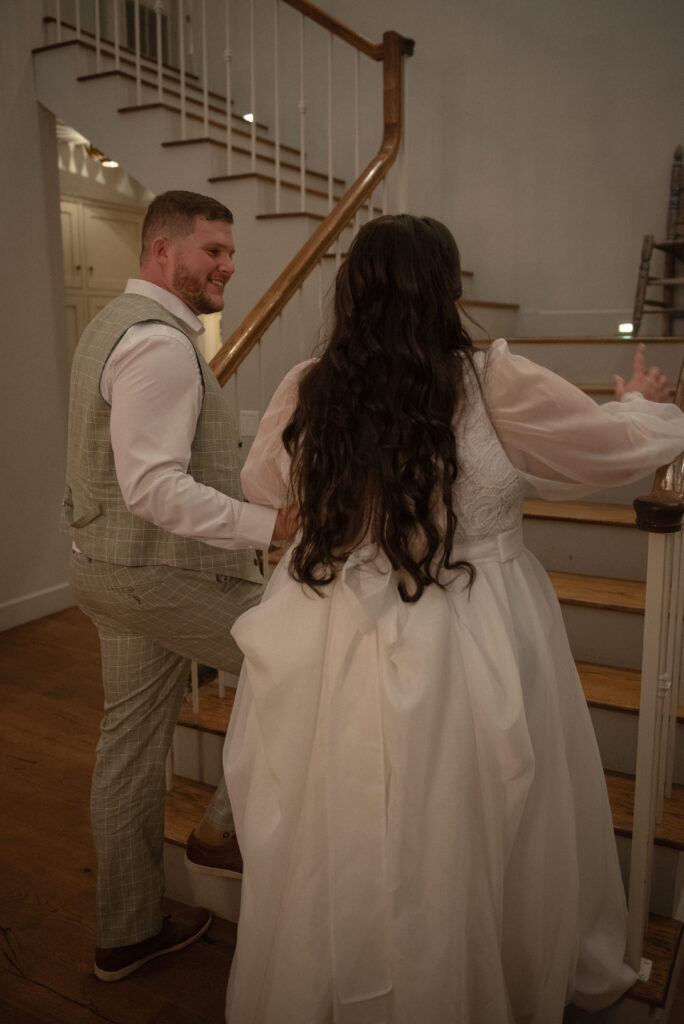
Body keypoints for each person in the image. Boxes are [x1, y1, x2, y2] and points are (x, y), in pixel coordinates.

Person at [222, 214, 684, 1023]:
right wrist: (646, 409)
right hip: (474, 628)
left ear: (351, 293)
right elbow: (606, 450)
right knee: (467, 828)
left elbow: (264, 485)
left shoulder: (310, 386)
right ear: (449, 289)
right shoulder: (491, 382)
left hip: (328, 626)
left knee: (336, 821)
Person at [64, 190, 295, 983]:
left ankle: (125, 933)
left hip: (104, 569)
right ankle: (220, 831)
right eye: (212, 252)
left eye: (229, 252)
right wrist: (274, 527)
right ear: (162, 253)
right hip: (153, 577)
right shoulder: (160, 345)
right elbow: (155, 489)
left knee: (128, 750)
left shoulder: (111, 328)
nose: (228, 265)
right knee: (301, 648)